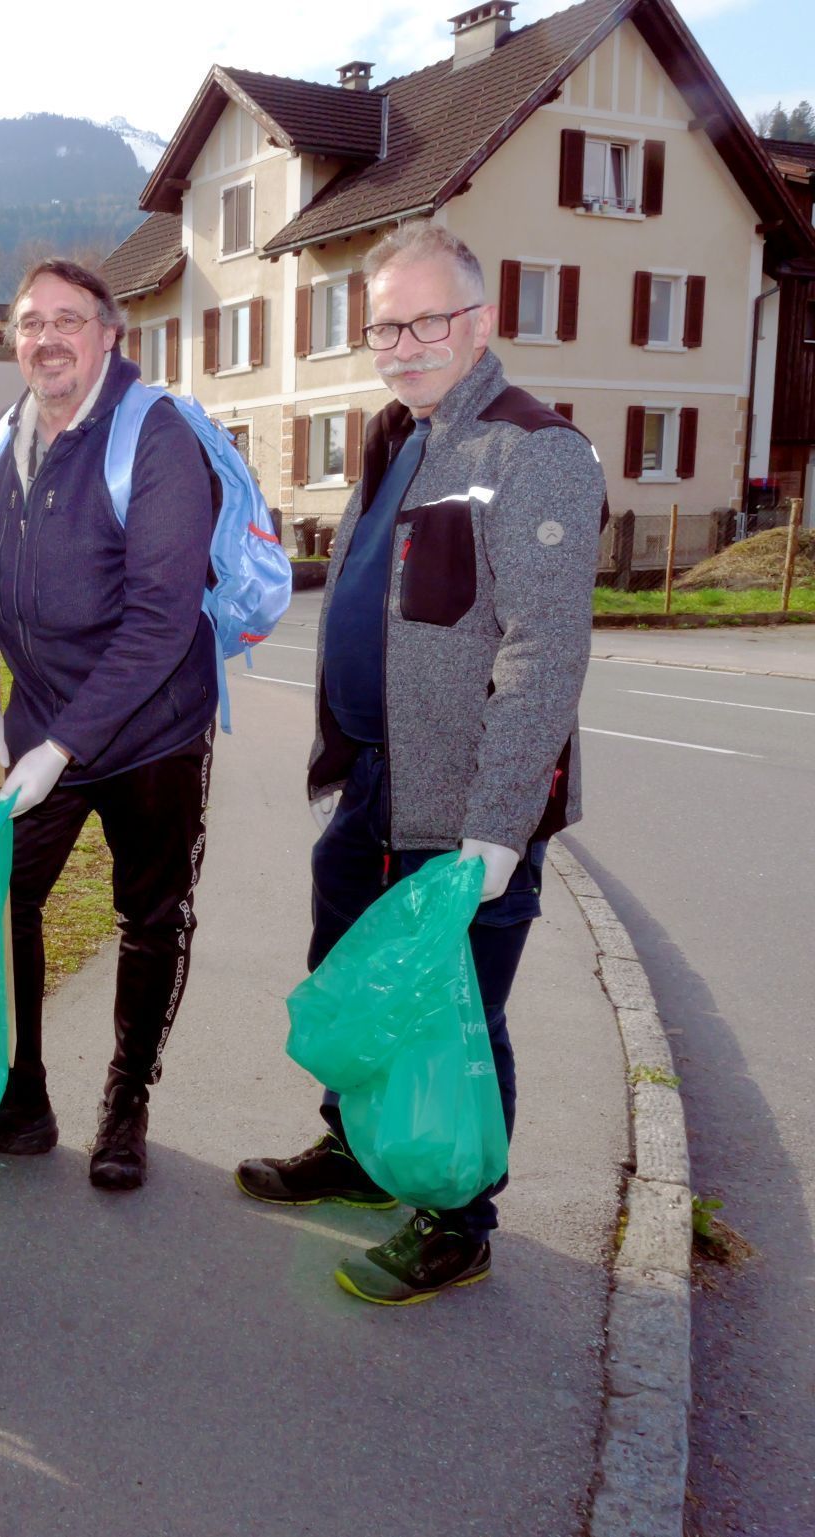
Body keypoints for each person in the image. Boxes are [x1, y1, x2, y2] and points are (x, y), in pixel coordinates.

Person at [233, 220, 605, 1305]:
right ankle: (356, 1152)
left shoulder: (531, 450)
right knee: (359, 986)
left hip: (463, 810)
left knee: (457, 1014)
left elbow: (541, 658)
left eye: (423, 320)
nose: (400, 343)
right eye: (382, 325)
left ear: (478, 322)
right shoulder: (399, 436)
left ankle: (458, 1216)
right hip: (371, 787)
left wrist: (496, 828)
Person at [0, 258, 220, 1191]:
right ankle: (23, 1096)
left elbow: (161, 618)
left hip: (152, 731)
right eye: (29, 323)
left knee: (149, 917)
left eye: (68, 320)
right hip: (38, 717)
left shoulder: (154, 436)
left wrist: (64, 747)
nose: (47, 338)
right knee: (4, 897)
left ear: (109, 334)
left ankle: (126, 1105)